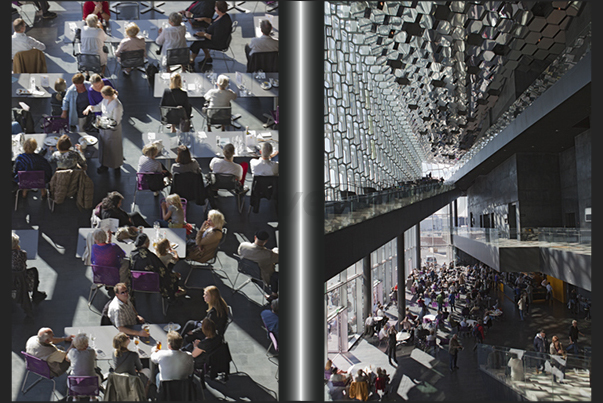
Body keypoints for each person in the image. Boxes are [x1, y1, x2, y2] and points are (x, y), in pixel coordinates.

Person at [129, 233, 186, 301]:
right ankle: (173, 295)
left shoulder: (132, 254)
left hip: (138, 282)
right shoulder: (151, 257)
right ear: (147, 243)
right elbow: (162, 271)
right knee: (174, 276)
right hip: (153, 283)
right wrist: (174, 275)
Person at [83, 85, 123, 173]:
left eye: (102, 94)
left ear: (107, 95)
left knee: (113, 148)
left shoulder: (117, 105)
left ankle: (116, 166)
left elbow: (116, 121)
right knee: (104, 147)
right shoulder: (105, 100)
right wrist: (90, 107)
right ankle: (104, 165)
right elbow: (98, 106)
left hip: (112, 131)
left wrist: (104, 125)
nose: (101, 96)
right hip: (104, 127)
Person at [189, 1, 232, 66]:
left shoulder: (221, 24)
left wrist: (204, 34)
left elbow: (215, 38)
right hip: (221, 39)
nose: (214, 9)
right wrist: (204, 19)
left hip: (219, 43)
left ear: (218, 9)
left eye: (215, 7)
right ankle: (208, 57)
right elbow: (213, 21)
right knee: (201, 40)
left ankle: (191, 62)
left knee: (196, 44)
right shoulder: (224, 16)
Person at [12, 233, 47, 305]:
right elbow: (23, 266)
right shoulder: (21, 254)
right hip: (19, 280)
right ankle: (35, 294)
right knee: (34, 271)